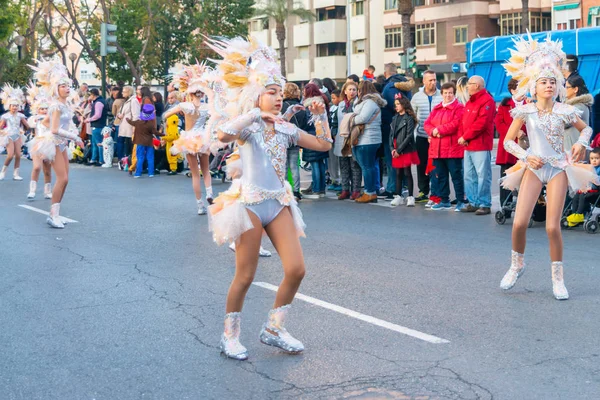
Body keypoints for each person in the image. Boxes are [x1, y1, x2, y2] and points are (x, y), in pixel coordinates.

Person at [203, 37, 333, 361]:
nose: (278, 98)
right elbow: (221, 135)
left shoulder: (287, 129)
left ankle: (274, 328)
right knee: (245, 276)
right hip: (248, 204)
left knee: (297, 269)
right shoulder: (248, 128)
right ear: (257, 94)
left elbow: (324, 145)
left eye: (280, 92)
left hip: (279, 203)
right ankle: (229, 336)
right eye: (271, 92)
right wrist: (252, 115)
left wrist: (321, 115)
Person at [499, 33, 598, 300]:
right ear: (534, 85)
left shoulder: (566, 111)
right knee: (519, 223)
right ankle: (517, 264)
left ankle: (558, 279)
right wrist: (525, 155)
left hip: (558, 168)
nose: (549, 85)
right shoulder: (525, 111)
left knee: (553, 227)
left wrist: (581, 144)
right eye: (543, 81)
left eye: (553, 82)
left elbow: (587, 128)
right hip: (533, 167)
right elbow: (508, 142)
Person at [30, 59, 85, 228]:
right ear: (56, 88)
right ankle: (53, 215)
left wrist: (73, 132)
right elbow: (54, 129)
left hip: (61, 144)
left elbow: (47, 123)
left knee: (65, 180)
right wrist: (75, 137)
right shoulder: (56, 106)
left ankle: (57, 214)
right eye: (63, 86)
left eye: (68, 85)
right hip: (54, 144)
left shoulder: (64, 104)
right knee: (62, 178)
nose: (67, 88)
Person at [163, 63, 214, 214]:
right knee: (205, 170)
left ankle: (199, 205)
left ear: (189, 93)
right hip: (203, 137)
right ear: (201, 93)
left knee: (194, 173)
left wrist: (171, 116)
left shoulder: (185, 106)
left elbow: (166, 114)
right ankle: (210, 193)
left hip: (189, 139)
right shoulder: (207, 107)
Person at [424, 82, 466, 211]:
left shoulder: (459, 108)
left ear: (454, 94)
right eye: (446, 93)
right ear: (442, 94)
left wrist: (439, 130)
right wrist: (432, 131)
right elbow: (427, 124)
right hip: (437, 149)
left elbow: (456, 123)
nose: (448, 95)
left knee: (456, 176)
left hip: (452, 148)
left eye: (450, 93)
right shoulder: (437, 108)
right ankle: (444, 200)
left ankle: (460, 201)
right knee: (441, 176)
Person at [457, 75, 496, 215]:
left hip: (480, 144)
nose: (467, 86)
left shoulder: (487, 101)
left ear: (477, 86)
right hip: (469, 144)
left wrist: (465, 136)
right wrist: (463, 136)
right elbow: (463, 121)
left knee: (482, 175)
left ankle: (484, 203)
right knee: (469, 175)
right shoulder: (471, 101)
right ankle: (473, 202)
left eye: (470, 84)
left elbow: (482, 123)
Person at [381, 63, 415, 199]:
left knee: (392, 159)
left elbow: (395, 106)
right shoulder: (405, 85)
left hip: (392, 126)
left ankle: (393, 188)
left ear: (386, 73)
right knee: (403, 159)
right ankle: (404, 187)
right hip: (406, 125)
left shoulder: (389, 87)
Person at [352, 80, 387, 204]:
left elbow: (362, 118)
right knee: (369, 166)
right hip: (368, 138)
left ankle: (369, 192)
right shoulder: (369, 102)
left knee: (367, 167)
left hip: (368, 138)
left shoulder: (370, 102)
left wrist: (350, 119)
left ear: (362, 90)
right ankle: (371, 190)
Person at [411, 70, 443, 204]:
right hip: (422, 136)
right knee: (422, 164)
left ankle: (439, 192)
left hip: (438, 137)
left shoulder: (442, 95)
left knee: (438, 165)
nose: (433, 82)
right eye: (430, 80)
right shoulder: (417, 97)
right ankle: (423, 191)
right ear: (423, 81)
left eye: (434, 79)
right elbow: (412, 117)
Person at [495, 79, 527, 208]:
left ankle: (525, 206)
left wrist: (522, 132)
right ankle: (505, 205)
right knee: (506, 176)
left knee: (525, 177)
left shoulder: (529, 104)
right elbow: (499, 124)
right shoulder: (505, 105)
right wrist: (514, 133)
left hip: (524, 145)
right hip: (508, 148)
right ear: (513, 90)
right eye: (520, 88)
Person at [300, 83, 330, 198]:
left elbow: (308, 121)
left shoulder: (309, 104)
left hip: (312, 134)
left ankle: (317, 189)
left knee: (314, 164)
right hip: (323, 133)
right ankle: (321, 188)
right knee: (321, 162)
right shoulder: (322, 101)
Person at [335, 81, 362, 200]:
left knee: (354, 165)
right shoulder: (340, 104)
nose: (352, 92)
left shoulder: (359, 104)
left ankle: (356, 190)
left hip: (353, 138)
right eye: (349, 89)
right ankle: (345, 189)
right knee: (343, 165)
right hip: (341, 138)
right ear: (345, 91)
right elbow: (336, 120)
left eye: (354, 90)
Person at [389, 95, 418, 207]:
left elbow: (409, 135)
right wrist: (392, 149)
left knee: (407, 172)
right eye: (395, 105)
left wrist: (399, 150)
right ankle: (398, 196)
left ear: (404, 105)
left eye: (398, 104)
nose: (396, 107)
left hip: (406, 148)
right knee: (398, 173)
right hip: (396, 147)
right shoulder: (394, 118)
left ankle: (410, 197)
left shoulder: (409, 118)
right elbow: (391, 135)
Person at [25, 84, 53, 199]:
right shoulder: (34, 119)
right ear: (38, 109)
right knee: (37, 167)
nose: (44, 110)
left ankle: (47, 191)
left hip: (49, 144)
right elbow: (29, 126)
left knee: (47, 169)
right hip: (37, 143)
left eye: (46, 108)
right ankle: (32, 190)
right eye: (42, 108)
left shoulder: (51, 118)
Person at [281, 82, 306, 199]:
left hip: (283, 138)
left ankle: (285, 190)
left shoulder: (282, 105)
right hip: (296, 139)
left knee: (284, 166)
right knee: (294, 166)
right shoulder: (300, 106)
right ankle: (296, 191)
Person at [0, 84, 29, 181]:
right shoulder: (6, 116)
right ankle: (3, 171)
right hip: (9, 136)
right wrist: (2, 132)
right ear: (9, 106)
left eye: (17, 106)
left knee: (18, 154)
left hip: (17, 135)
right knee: (10, 154)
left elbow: (27, 125)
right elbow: (0, 126)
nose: (15, 107)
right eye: (13, 106)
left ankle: (16, 174)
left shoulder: (21, 116)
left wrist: (31, 126)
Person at [566, 148, 600, 226]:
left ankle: (579, 214)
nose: (594, 160)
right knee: (576, 196)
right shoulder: (589, 167)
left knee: (583, 196)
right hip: (589, 189)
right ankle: (574, 213)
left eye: (597, 158)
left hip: (597, 191)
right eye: (592, 158)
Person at [126, 104, 160, 178]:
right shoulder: (151, 124)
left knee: (140, 157)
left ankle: (138, 173)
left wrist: (127, 119)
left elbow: (131, 122)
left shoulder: (138, 122)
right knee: (150, 157)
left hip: (140, 142)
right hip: (149, 142)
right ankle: (151, 173)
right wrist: (162, 134)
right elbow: (155, 132)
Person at [564, 75, 593, 150]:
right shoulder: (573, 105)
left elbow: (563, 122)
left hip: (576, 151)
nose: (564, 90)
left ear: (575, 89)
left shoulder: (579, 107)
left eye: (567, 87)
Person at [116, 86, 139, 162]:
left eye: (124, 91)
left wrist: (134, 126)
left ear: (129, 92)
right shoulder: (126, 101)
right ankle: (124, 160)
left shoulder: (133, 101)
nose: (122, 93)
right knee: (124, 143)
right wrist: (119, 115)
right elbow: (120, 112)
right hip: (124, 125)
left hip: (129, 126)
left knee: (129, 144)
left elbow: (136, 115)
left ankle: (129, 161)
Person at [85, 88, 107, 166]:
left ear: (92, 95)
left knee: (99, 143)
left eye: (89, 95)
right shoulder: (97, 102)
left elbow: (97, 115)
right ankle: (93, 159)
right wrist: (90, 103)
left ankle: (101, 160)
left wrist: (89, 119)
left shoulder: (98, 103)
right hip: (96, 125)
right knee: (94, 143)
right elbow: (93, 110)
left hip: (98, 125)